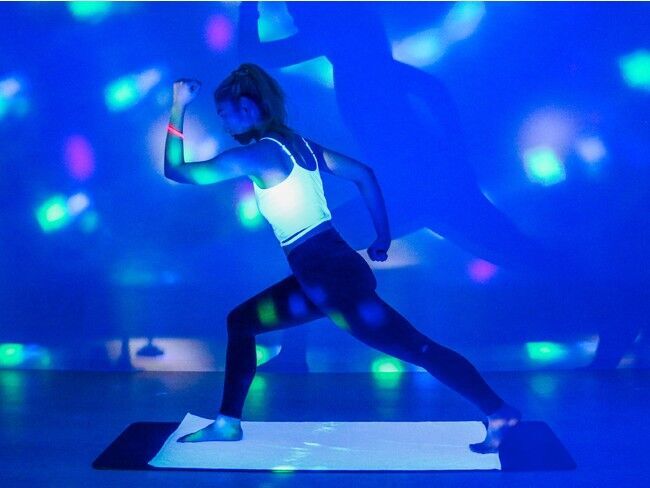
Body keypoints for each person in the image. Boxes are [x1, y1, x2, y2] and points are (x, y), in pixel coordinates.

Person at [164, 64, 521, 453]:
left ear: (247, 108)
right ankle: (228, 423)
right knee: (242, 322)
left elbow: (176, 171)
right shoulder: (301, 146)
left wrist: (178, 106)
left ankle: (498, 411)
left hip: (329, 280)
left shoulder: (257, 155)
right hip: (324, 274)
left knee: (417, 348)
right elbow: (364, 174)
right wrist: (382, 235)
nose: (223, 122)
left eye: (225, 113)